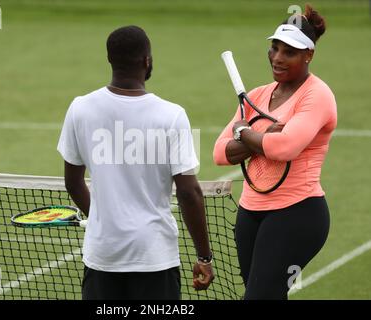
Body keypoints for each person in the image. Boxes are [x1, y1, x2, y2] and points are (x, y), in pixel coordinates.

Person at [58, 25, 214, 300]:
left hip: (102, 255)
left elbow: (73, 182)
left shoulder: (79, 108)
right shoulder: (173, 116)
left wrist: (102, 218)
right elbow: (189, 193)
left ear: (110, 60)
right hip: (154, 258)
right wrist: (205, 256)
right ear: (147, 61)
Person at [213, 5, 337, 300]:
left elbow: (286, 147)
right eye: (275, 48)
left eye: (289, 52)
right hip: (249, 214)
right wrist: (261, 136)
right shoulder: (256, 95)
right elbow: (219, 153)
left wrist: (243, 132)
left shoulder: (317, 95)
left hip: (298, 215)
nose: (278, 58)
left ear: (309, 55)